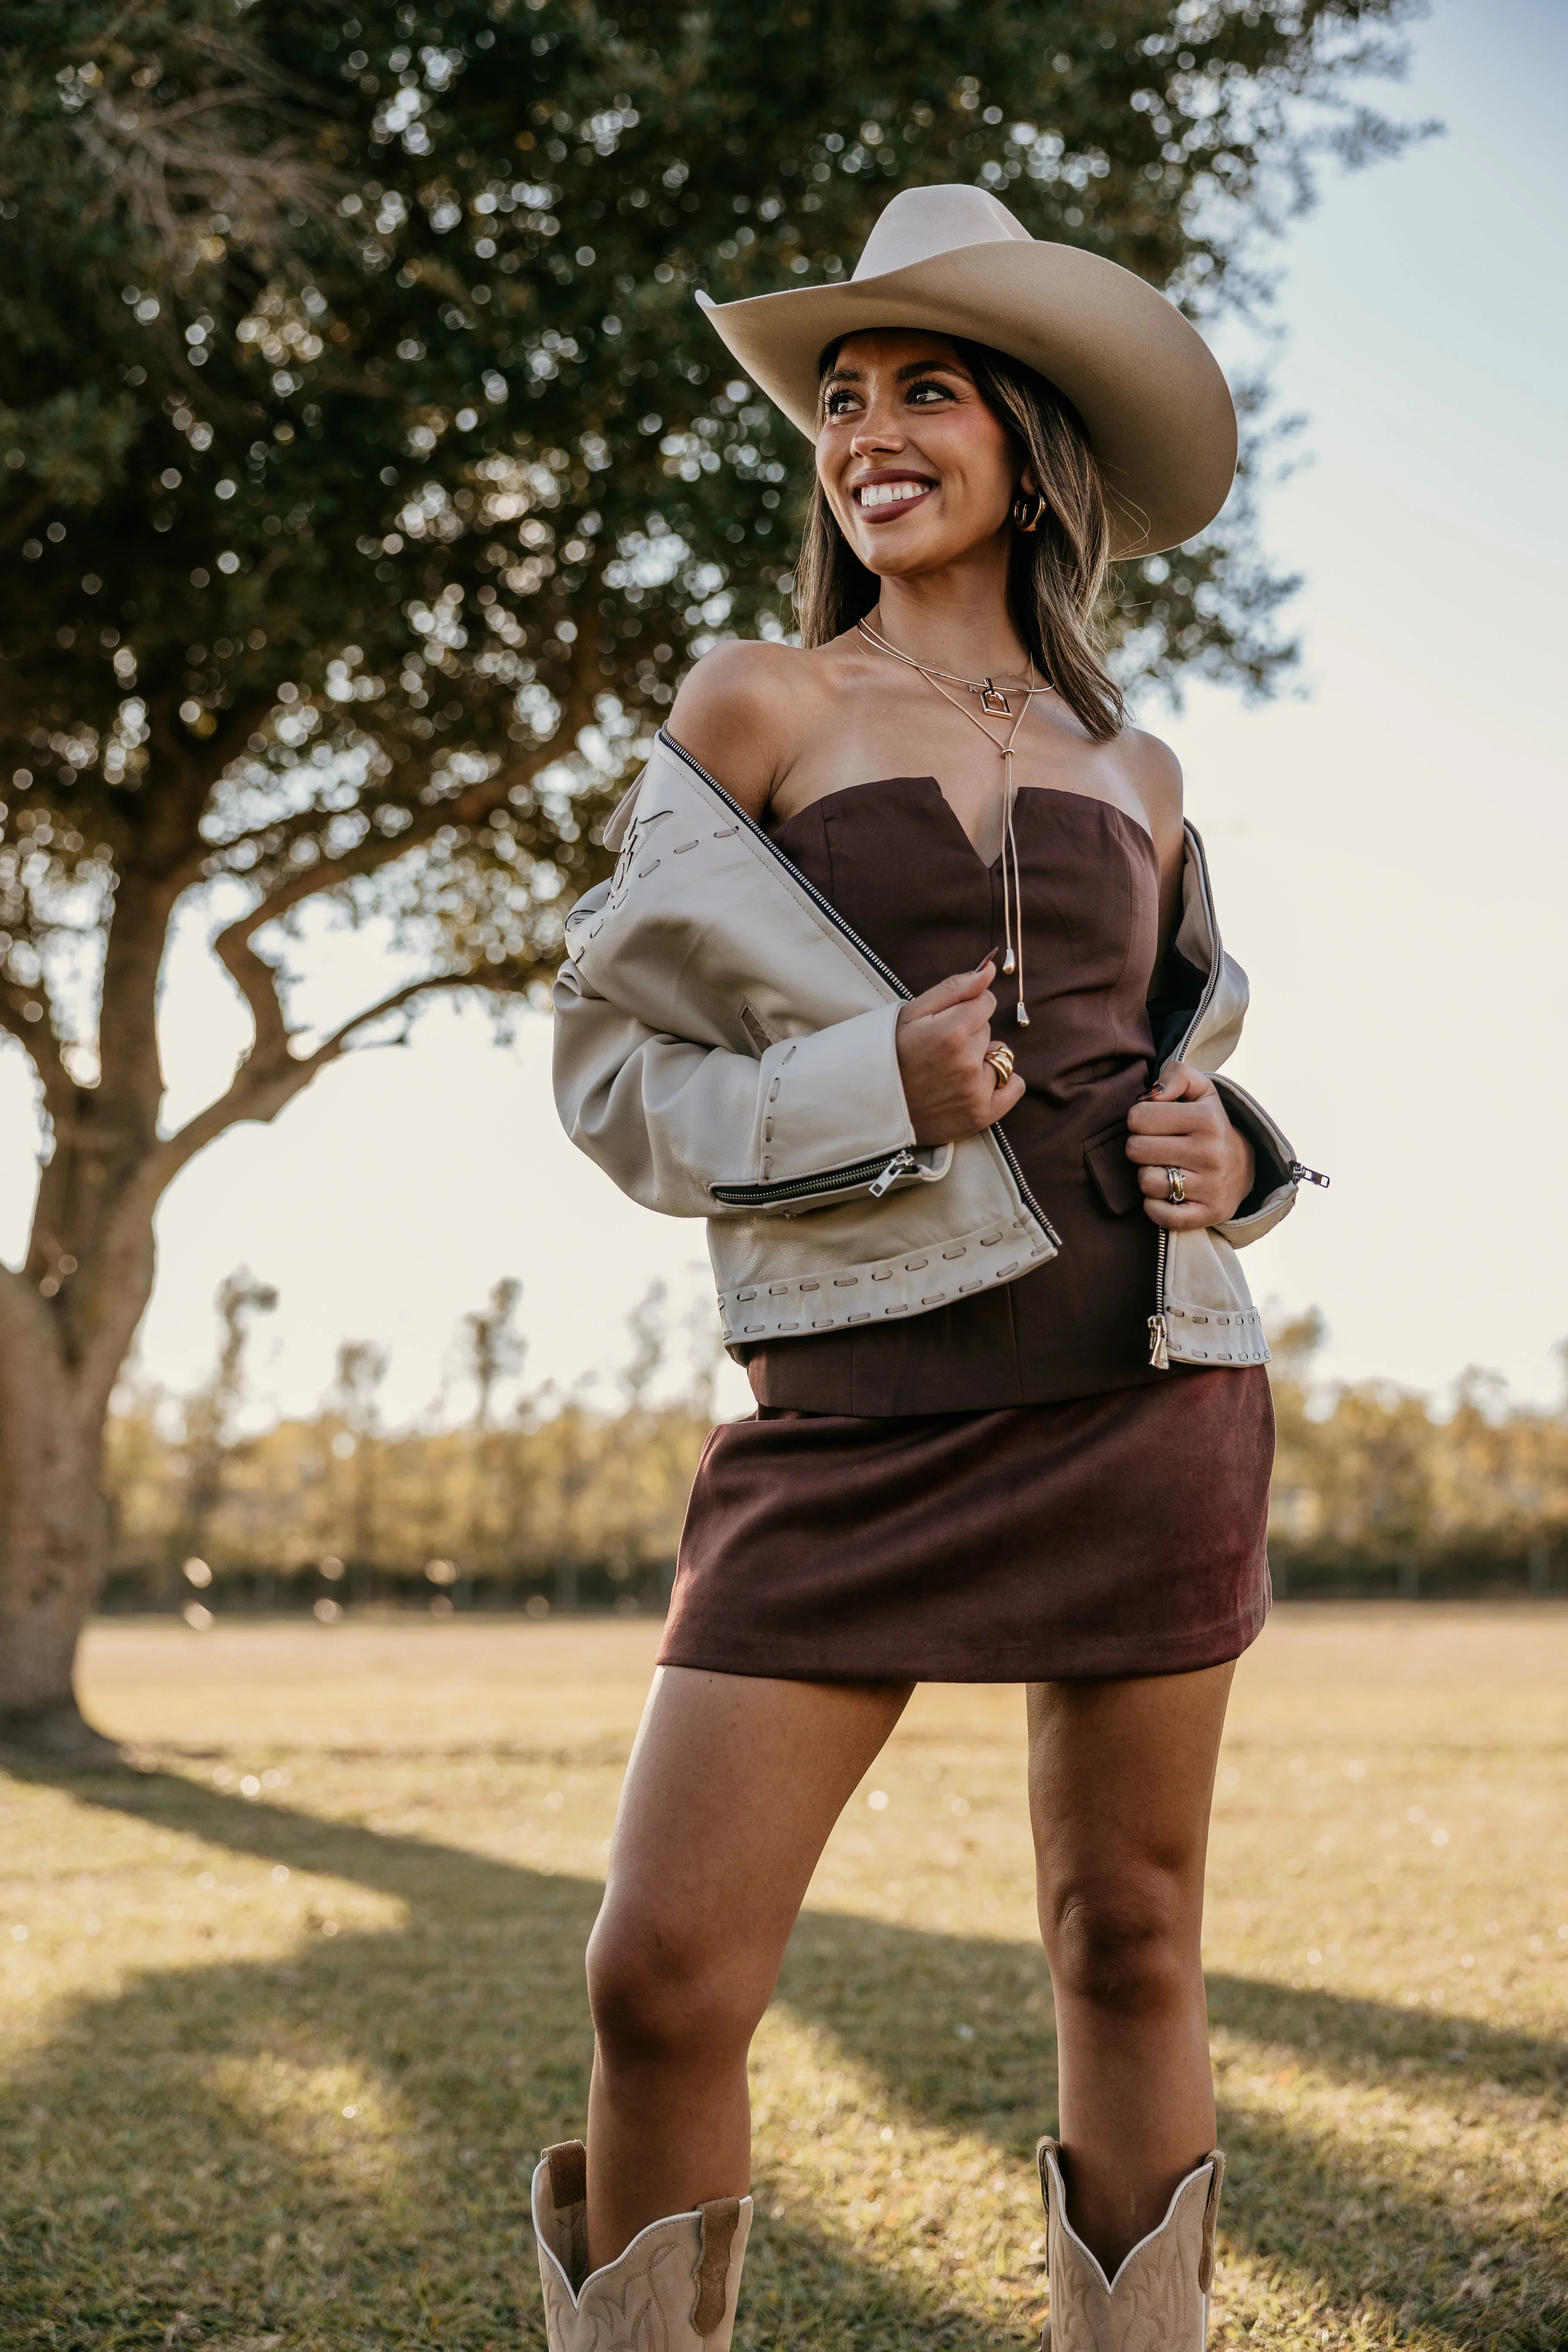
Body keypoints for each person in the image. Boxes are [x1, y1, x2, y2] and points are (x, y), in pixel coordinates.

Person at [535, 184, 1318, 2352]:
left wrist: (1235, 1152)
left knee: (1130, 1940)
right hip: (850, 1418)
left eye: (926, 389)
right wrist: (866, 1077)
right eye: (843, 398)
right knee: (659, 1970)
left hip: (1147, 1403)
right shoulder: (761, 701)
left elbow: (1181, 1071)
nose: (869, 430)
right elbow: (611, 1071)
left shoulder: (1139, 764)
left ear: (1030, 440)